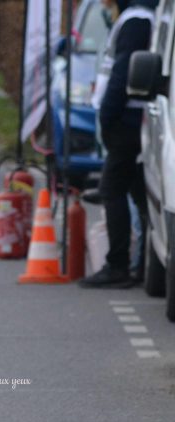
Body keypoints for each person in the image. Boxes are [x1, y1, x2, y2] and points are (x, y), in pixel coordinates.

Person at [79, 0, 156, 288]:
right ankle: (143, 264)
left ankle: (118, 265)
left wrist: (109, 116)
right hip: (131, 117)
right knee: (138, 192)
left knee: (111, 189)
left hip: (127, 118)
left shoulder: (136, 19)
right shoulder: (136, 17)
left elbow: (122, 73)